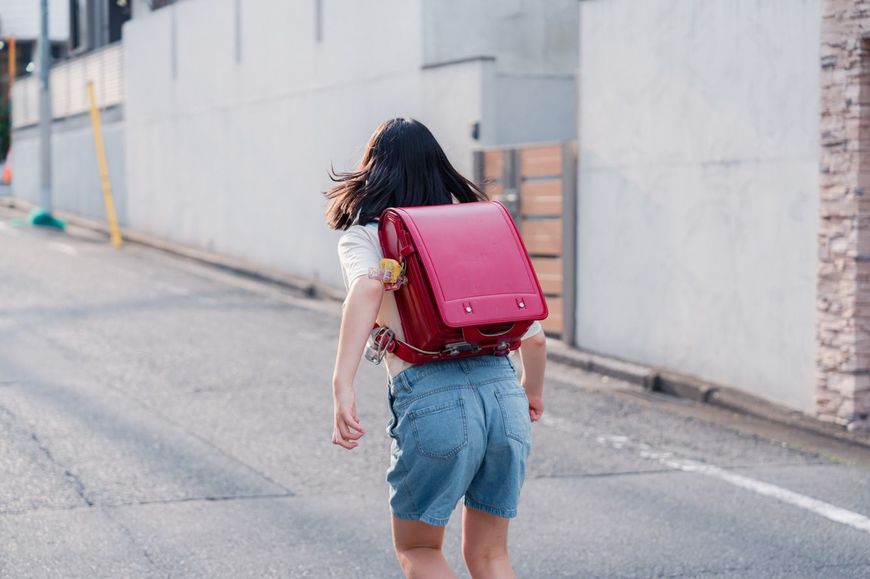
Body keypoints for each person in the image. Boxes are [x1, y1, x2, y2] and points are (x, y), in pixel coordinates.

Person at [325, 118, 547, 578]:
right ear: (439, 169)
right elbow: (534, 334)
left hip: (433, 400)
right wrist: (531, 393)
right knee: (490, 555)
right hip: (504, 397)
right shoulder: (476, 231)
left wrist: (342, 383)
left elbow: (367, 287)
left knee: (420, 548)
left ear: (374, 171)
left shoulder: (367, 235)